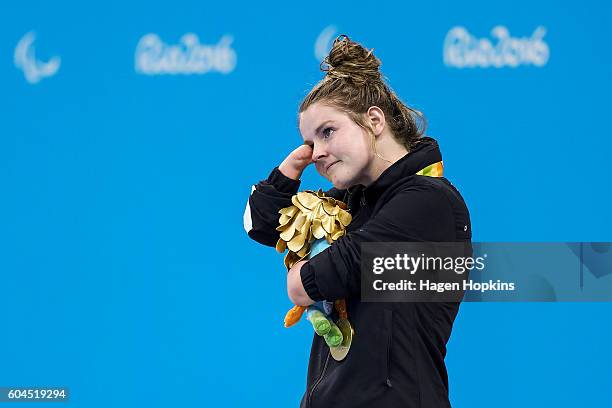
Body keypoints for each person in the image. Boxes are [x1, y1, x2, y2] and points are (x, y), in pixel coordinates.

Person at [243, 35, 471, 408]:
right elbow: (261, 224)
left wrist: (302, 271)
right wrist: (290, 170)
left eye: (328, 131)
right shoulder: (351, 204)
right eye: (309, 141)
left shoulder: (428, 202)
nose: (317, 152)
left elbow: (310, 283)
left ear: (375, 120)